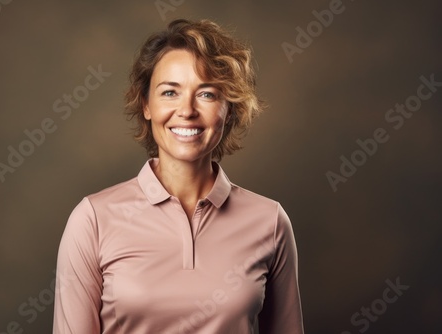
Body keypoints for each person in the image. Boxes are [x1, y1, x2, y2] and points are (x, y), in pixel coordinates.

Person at [53, 19, 304, 334]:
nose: (186, 110)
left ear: (230, 108)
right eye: (170, 92)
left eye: (208, 94)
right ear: (146, 104)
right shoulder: (92, 220)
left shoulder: (271, 222)